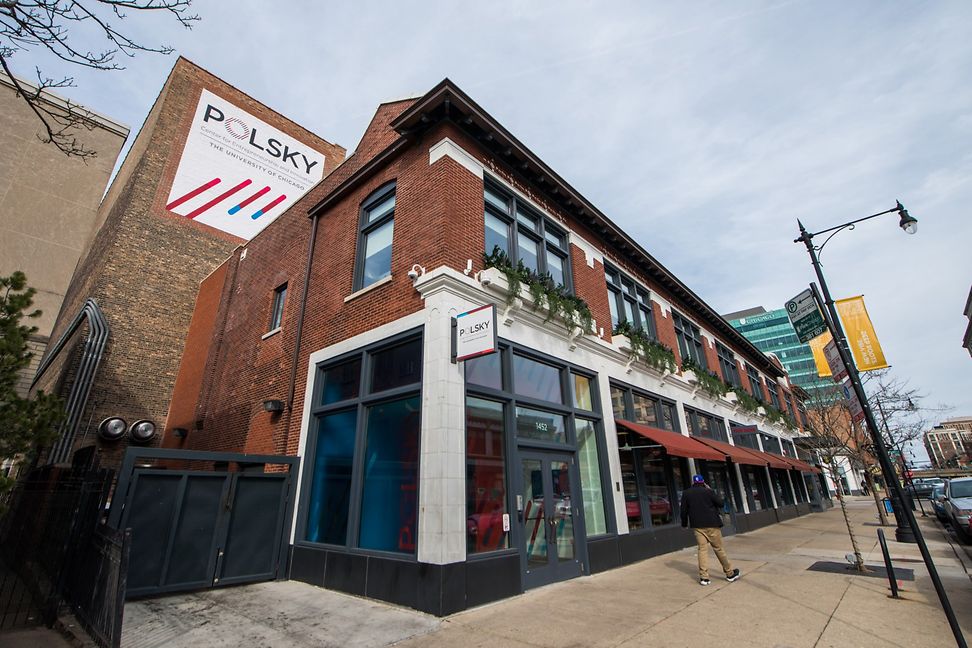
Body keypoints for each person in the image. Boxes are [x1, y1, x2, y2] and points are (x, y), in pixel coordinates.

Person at [680, 474, 740, 586]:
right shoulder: (708, 492)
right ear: (703, 482)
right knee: (718, 549)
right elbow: (721, 504)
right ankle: (729, 573)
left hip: (698, 526)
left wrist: (684, 524)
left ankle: (704, 577)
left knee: (702, 550)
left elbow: (683, 511)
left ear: (693, 482)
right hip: (712, 524)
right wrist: (711, 491)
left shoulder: (686, 493)